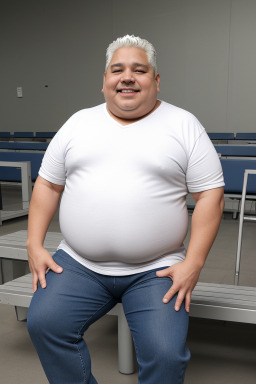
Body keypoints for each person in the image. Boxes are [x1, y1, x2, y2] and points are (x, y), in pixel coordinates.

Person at [27, 35, 225, 384]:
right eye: (117, 70)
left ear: (156, 80)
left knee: (166, 355)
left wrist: (193, 263)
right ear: (105, 81)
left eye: (139, 70)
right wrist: (33, 243)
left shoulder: (184, 125)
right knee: (46, 325)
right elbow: (48, 184)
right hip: (78, 264)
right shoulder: (78, 123)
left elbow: (210, 194)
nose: (127, 77)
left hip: (157, 269)